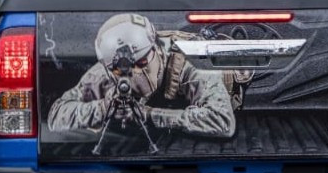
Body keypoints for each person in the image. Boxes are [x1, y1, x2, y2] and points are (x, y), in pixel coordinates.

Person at [47, 13, 236, 143]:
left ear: (156, 47)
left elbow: (222, 121)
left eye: (143, 61)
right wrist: (104, 108)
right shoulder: (105, 70)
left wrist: (150, 115)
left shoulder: (189, 60)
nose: (136, 73)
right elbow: (57, 116)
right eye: (123, 69)